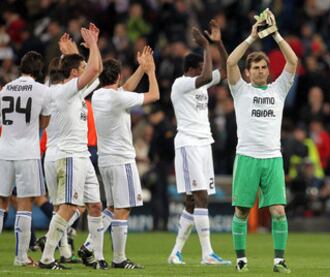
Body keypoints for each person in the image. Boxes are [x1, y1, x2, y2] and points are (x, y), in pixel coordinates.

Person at [226, 10, 298, 273]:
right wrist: (251, 37)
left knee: (278, 211)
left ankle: (279, 261)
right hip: (246, 157)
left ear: (269, 71)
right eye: (255, 67)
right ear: (248, 73)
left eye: (263, 67)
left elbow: (293, 61)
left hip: (272, 158)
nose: (260, 71)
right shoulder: (240, 90)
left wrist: (276, 34)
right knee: (242, 213)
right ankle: (241, 261)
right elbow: (230, 63)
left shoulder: (278, 89)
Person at [38, 24, 105, 270]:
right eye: (80, 68)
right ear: (74, 73)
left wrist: (73, 52)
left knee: (95, 205)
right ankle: (47, 257)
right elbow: (96, 68)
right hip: (67, 155)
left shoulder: (68, 90)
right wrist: (94, 45)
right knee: (68, 207)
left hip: (79, 155)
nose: (85, 70)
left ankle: (97, 257)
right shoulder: (64, 91)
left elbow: (93, 73)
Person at [168, 20, 231, 265]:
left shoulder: (200, 82)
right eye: (202, 65)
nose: (206, 69)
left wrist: (218, 43)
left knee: (194, 201)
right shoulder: (180, 84)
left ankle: (175, 252)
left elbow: (224, 70)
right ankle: (207, 254)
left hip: (204, 143)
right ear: (193, 69)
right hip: (188, 144)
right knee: (201, 196)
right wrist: (206, 47)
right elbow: (207, 75)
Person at [92, 46, 159, 269]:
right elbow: (154, 95)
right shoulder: (118, 98)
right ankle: (119, 258)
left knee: (111, 207)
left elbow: (125, 89)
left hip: (105, 160)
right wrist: (150, 71)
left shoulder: (98, 95)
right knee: (124, 208)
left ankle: (90, 245)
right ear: (118, 76)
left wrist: (140, 67)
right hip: (122, 160)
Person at [0, 50, 52, 266]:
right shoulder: (42, 91)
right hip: (27, 153)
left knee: (1, 202)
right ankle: (21, 257)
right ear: (39, 71)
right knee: (25, 203)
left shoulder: (5, 89)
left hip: (4, 151)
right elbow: (44, 124)